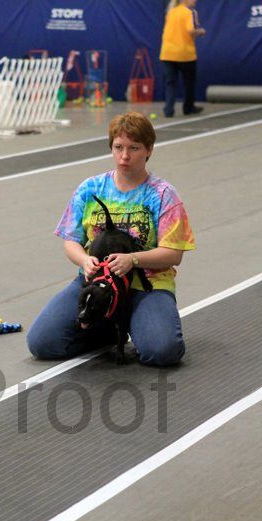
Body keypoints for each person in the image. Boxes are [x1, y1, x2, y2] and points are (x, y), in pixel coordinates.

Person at [27, 111, 195, 367]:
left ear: (149, 150)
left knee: (162, 352)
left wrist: (133, 259)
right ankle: (107, 328)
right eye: (118, 147)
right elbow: (70, 242)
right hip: (96, 284)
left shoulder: (163, 194)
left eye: (134, 148)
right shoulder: (90, 189)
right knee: (42, 343)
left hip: (146, 284)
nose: (124, 156)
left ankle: (133, 321)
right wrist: (84, 261)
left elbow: (174, 254)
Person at [159, 0, 206, 118]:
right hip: (184, 54)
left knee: (170, 83)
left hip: (167, 53)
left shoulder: (170, 11)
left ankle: (168, 110)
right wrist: (200, 31)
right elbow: (190, 30)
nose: (195, 1)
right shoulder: (190, 12)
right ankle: (188, 107)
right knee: (189, 82)